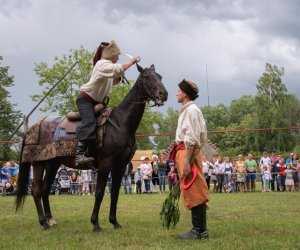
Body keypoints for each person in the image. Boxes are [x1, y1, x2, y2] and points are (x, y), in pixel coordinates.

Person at [75, 40, 137, 167]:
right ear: (111, 55)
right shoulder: (102, 64)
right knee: (90, 122)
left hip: (97, 102)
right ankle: (79, 154)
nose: (118, 57)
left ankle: (96, 153)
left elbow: (115, 79)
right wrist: (131, 62)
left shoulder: (107, 68)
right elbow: (117, 69)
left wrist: (119, 73)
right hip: (86, 100)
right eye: (117, 55)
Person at [170, 79, 209, 240]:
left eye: (178, 90)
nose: (176, 93)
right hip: (184, 151)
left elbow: (191, 137)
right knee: (191, 187)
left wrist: (186, 160)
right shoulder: (187, 110)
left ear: (185, 93)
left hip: (187, 152)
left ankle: (199, 230)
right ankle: (199, 229)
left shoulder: (191, 110)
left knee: (194, 187)